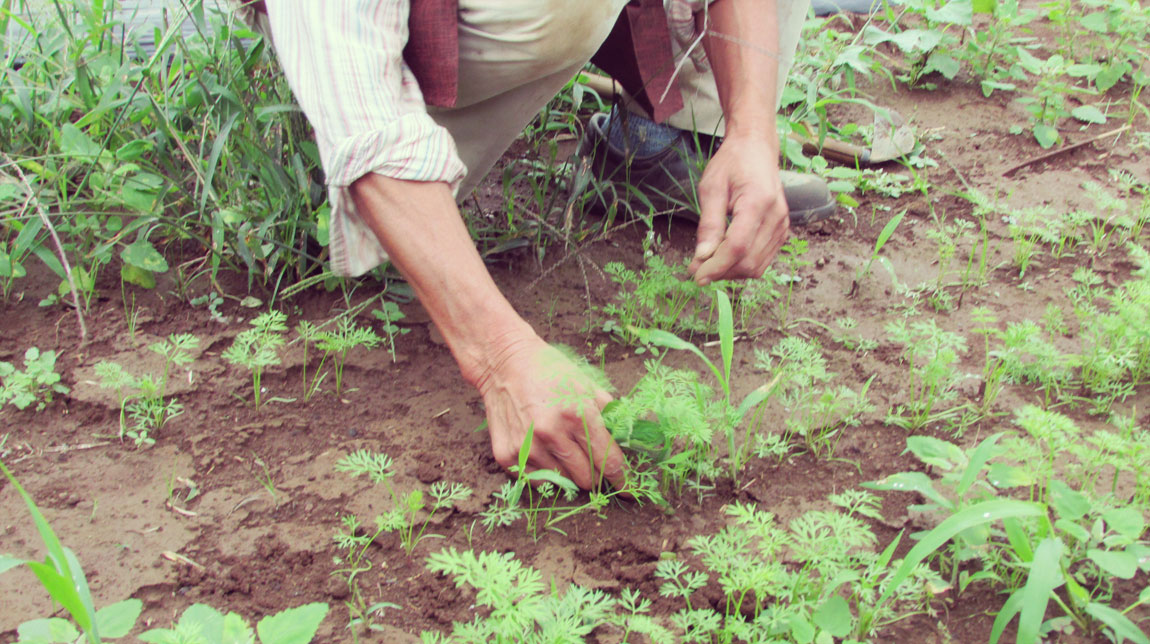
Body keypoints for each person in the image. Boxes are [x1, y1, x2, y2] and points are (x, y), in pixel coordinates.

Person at [250, 0, 829, 492]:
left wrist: (753, 131)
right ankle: (406, 200)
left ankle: (666, 141)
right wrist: (501, 357)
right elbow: (358, 101)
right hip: (361, 48)